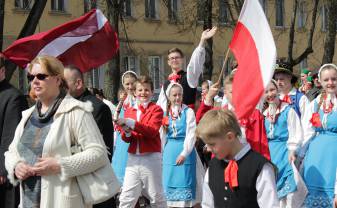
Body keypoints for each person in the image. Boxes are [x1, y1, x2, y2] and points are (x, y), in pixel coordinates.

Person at [4, 55, 110, 207]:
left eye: (41, 76)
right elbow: (11, 152)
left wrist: (60, 164)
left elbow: (98, 154)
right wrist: (16, 166)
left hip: (63, 201)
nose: (34, 81)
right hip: (28, 201)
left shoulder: (76, 111)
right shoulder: (28, 115)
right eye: (30, 77)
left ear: (58, 80)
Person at [196, 109, 279, 208]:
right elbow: (207, 204)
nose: (208, 149)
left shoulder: (260, 167)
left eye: (212, 144)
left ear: (230, 137)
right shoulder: (213, 167)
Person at [64, 65, 115, 208]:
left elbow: (102, 152)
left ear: (78, 83)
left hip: (94, 185)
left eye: (64, 83)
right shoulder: (64, 107)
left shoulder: (97, 108)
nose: (59, 87)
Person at [116, 76, 167, 208]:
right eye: (140, 90)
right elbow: (126, 138)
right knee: (126, 198)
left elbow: (151, 131)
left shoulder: (156, 109)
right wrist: (126, 130)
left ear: (151, 92)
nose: (143, 93)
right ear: (134, 92)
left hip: (151, 158)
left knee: (156, 197)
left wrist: (131, 123)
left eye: (146, 90)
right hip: (133, 158)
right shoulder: (130, 111)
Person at [196, 75, 271, 160]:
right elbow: (201, 122)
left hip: (249, 161)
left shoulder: (255, 115)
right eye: (232, 92)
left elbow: (263, 144)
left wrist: (265, 164)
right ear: (225, 93)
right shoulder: (219, 113)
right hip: (223, 162)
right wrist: (209, 97)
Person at [263, 80, 306, 207]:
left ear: (278, 90)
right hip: (269, 154)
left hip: (284, 152)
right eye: (266, 92)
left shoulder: (288, 110)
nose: (270, 94)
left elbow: (296, 132)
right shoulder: (264, 114)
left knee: (288, 189)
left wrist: (292, 150)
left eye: (272, 90)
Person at [301, 63, 337, 207]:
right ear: (320, 82)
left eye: (334, 79)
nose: (330, 83)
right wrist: (299, 155)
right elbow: (307, 132)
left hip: (333, 158)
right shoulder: (315, 104)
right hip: (315, 157)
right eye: (326, 80)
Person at [157, 27, 217, 110]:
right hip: (172, 119)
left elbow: (195, 63)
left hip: (188, 118)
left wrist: (202, 41)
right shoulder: (166, 83)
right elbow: (161, 105)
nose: (174, 60)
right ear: (168, 62)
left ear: (182, 60)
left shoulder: (189, 77)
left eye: (177, 57)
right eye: (172, 58)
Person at [161, 83, 201, 207]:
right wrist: (161, 153)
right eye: (174, 95)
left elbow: (191, 134)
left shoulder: (188, 111)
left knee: (186, 182)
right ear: (169, 96)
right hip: (169, 152)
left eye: (180, 95)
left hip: (185, 150)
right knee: (169, 182)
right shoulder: (165, 113)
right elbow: (162, 136)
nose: (177, 97)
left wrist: (184, 153)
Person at [0, 57, 28, 208]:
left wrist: (2, 170)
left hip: (5, 176)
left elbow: (9, 137)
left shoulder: (13, 96)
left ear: (3, 71)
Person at [112, 71, 138, 185]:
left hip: (135, 140)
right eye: (127, 84)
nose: (130, 87)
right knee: (122, 167)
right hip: (122, 141)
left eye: (132, 83)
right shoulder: (122, 103)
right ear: (123, 85)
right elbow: (115, 118)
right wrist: (121, 101)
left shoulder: (139, 101)